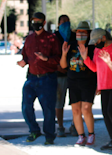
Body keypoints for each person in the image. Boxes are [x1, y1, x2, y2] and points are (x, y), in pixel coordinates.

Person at [17, 12, 61, 145]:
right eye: (33, 21)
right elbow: (25, 55)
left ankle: (49, 135)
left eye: (38, 21)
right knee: (26, 106)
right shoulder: (29, 39)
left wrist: (46, 58)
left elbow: (59, 58)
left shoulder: (52, 38)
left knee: (48, 109)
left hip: (47, 78)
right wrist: (23, 61)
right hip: (31, 78)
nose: (35, 23)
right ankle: (34, 130)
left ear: (44, 22)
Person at [80, 28, 112, 150]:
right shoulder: (97, 49)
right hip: (103, 85)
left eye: (96, 40)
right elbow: (95, 68)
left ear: (104, 37)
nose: (95, 44)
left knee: (111, 111)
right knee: (105, 113)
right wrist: (85, 58)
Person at [60, 21, 97, 146]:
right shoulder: (70, 46)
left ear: (88, 33)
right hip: (73, 81)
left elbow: (95, 68)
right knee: (75, 110)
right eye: (78, 32)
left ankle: (91, 134)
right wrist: (64, 53)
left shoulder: (92, 47)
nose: (80, 34)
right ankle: (81, 136)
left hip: (88, 81)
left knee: (86, 109)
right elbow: (63, 66)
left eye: (83, 32)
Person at [54, 14, 76, 137]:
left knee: (75, 101)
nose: (65, 24)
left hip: (73, 73)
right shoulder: (54, 37)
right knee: (59, 102)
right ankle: (60, 126)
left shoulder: (74, 36)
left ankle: (74, 125)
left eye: (67, 21)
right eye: (63, 22)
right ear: (58, 24)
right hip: (59, 74)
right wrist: (58, 66)